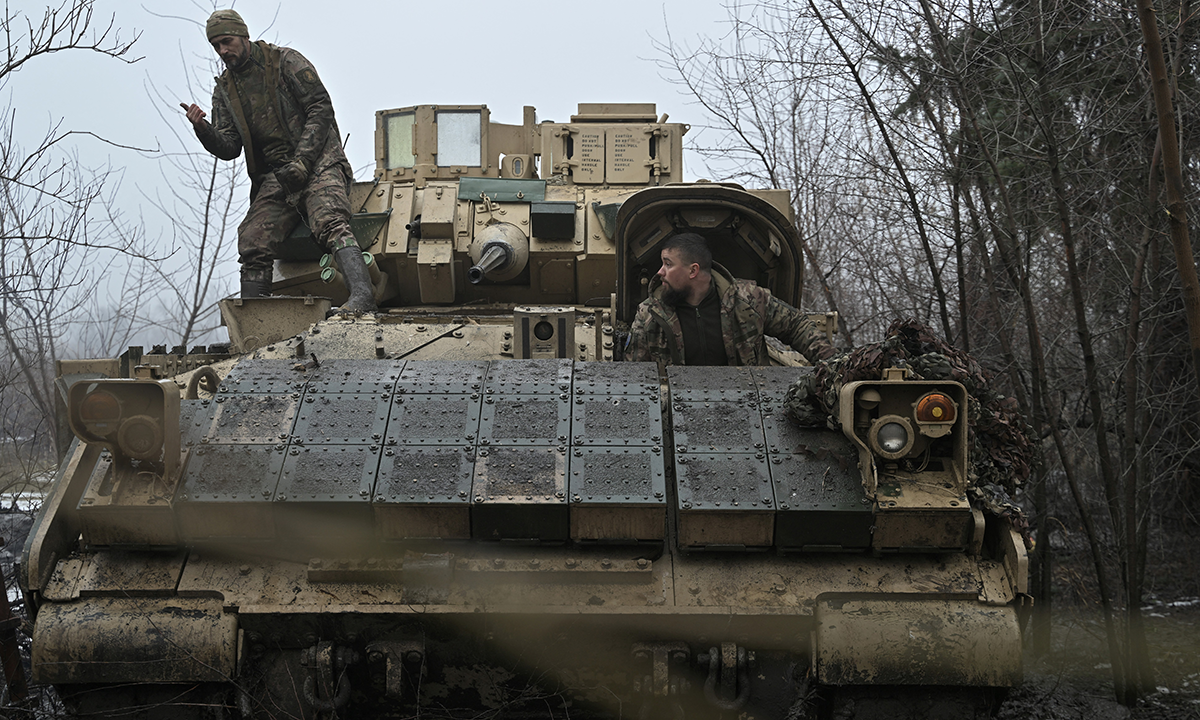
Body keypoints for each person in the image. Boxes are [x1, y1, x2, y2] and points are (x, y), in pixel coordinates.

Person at [181, 9, 376, 312]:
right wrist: (203, 129)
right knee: (252, 239)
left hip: (318, 161)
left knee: (329, 221)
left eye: (227, 41)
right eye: (216, 45)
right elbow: (230, 146)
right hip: (278, 177)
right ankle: (257, 319)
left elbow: (320, 108)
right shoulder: (225, 90)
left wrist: (302, 161)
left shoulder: (285, 62)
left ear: (244, 36)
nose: (223, 51)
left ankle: (363, 296)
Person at [626, 233, 835, 366]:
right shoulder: (650, 314)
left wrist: (834, 366)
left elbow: (795, 326)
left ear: (693, 270)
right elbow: (634, 375)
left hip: (748, 408)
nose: (660, 272)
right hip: (675, 413)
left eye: (668, 264)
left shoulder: (748, 300)